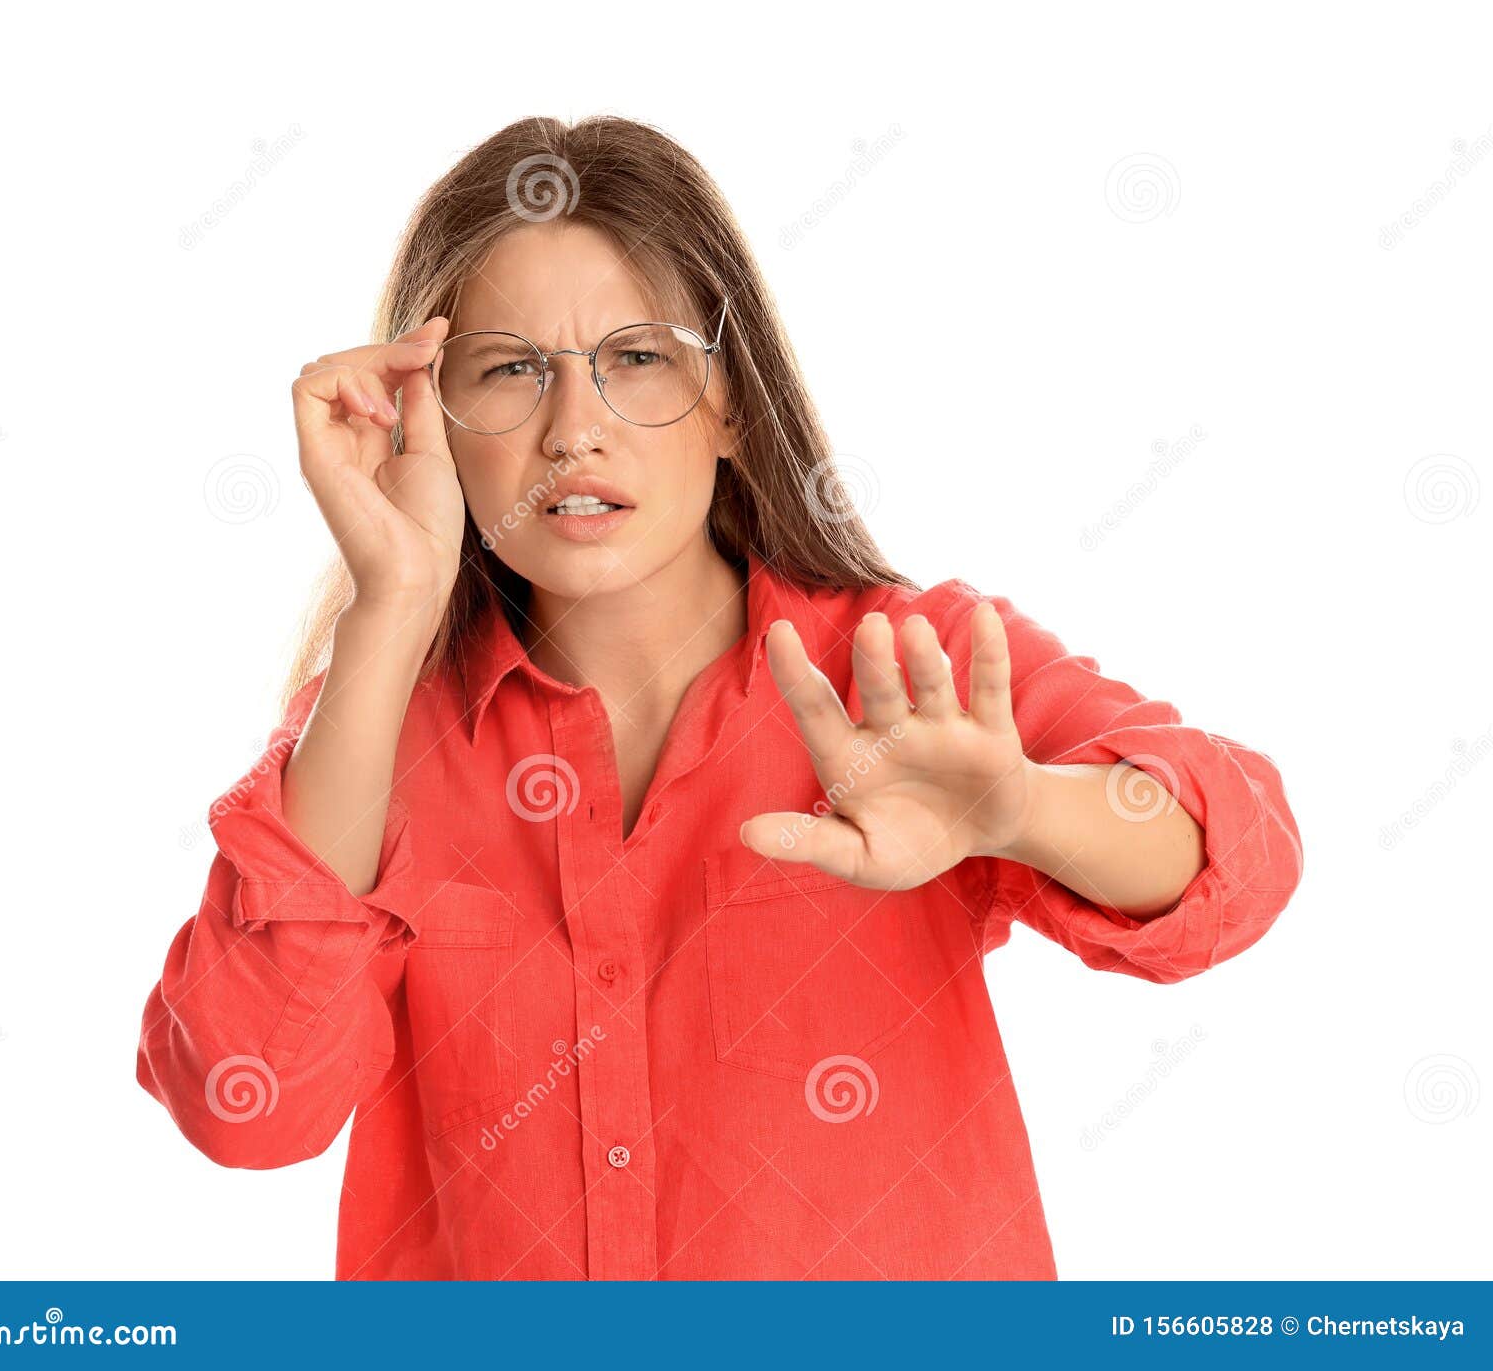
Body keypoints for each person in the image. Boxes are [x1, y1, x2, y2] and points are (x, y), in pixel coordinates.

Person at [135, 115, 1303, 1280]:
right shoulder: (376, 729)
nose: (573, 430)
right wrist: (387, 611)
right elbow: (248, 1105)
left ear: (733, 404)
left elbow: (1233, 865)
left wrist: (1021, 813)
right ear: (424, 422)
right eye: (509, 371)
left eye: (637, 357)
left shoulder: (906, 665)